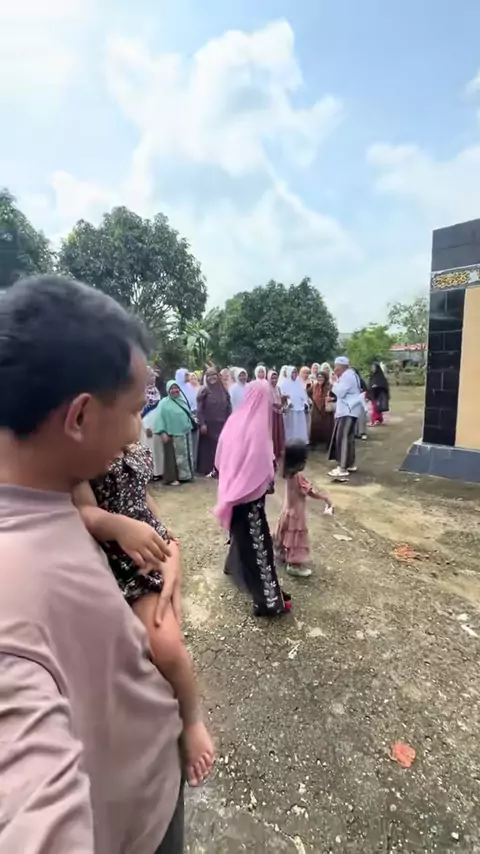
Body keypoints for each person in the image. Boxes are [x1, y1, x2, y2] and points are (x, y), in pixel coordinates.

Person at [0, 275, 186, 853]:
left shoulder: (54, 491)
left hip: (152, 788)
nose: (137, 432)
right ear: (79, 417)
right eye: (132, 412)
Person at [74, 440, 214, 788]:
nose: (137, 425)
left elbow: (143, 496)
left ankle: (192, 719)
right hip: (126, 560)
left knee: (169, 642)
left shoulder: (131, 447)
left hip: (151, 545)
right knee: (165, 644)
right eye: (130, 413)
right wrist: (119, 526)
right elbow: (84, 511)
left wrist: (165, 534)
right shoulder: (84, 457)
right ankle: (189, 721)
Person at [214, 380, 290, 618]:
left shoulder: (234, 421)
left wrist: (233, 482)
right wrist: (263, 481)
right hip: (250, 501)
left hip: (232, 495)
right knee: (260, 549)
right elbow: (263, 471)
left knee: (241, 536)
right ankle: (268, 602)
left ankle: (234, 569)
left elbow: (220, 460)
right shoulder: (257, 429)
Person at [275, 441, 333, 578]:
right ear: (299, 462)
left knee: (285, 533)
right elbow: (311, 491)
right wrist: (326, 498)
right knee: (296, 540)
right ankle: (294, 565)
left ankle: (282, 554)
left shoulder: (287, 473)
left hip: (287, 510)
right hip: (297, 514)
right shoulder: (298, 477)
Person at [328, 356, 364, 482]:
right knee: (349, 438)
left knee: (342, 438)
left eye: (336, 367)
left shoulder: (347, 376)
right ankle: (350, 464)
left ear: (343, 366)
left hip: (347, 411)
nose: (335, 369)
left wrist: (333, 383)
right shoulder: (351, 375)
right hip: (350, 410)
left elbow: (340, 392)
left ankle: (342, 468)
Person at [154, 380, 196, 485]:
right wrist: (162, 432)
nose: (174, 390)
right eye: (171, 388)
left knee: (186, 455)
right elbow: (159, 418)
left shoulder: (182, 400)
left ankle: (186, 476)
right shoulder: (163, 403)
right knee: (172, 457)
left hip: (185, 432)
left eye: (176, 388)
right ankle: (172, 478)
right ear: (168, 390)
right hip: (171, 433)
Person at [196, 366, 232, 476]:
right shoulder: (204, 390)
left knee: (221, 447)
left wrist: (230, 422)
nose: (212, 377)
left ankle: (220, 468)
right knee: (209, 448)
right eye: (209, 376)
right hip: (208, 425)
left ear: (218, 376)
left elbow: (229, 407)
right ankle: (209, 469)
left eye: (214, 375)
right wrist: (202, 424)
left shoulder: (223, 390)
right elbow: (199, 409)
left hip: (222, 423)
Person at [279, 366, 309, 444]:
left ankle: (300, 442)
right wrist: (288, 402)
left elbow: (303, 396)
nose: (294, 374)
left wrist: (305, 403)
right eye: (293, 372)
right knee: (290, 427)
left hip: (300, 408)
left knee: (300, 426)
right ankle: (290, 443)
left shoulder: (299, 383)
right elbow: (282, 395)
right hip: (290, 409)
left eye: (296, 372)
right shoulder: (283, 383)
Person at [309, 370, 335, 448]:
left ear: (325, 378)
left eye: (322, 377)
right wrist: (311, 400)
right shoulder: (314, 386)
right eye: (318, 377)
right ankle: (314, 443)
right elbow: (308, 393)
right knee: (315, 426)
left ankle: (328, 444)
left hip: (326, 409)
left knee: (327, 427)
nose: (320, 379)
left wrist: (331, 399)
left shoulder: (330, 386)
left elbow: (336, 396)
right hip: (316, 409)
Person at [268, 369, 286, 463]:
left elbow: (279, 399)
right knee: (273, 432)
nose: (274, 380)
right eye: (272, 378)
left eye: (276, 378)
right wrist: (276, 409)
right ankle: (272, 451)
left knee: (279, 432)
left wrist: (282, 406)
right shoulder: (267, 389)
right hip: (271, 414)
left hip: (279, 413)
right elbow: (268, 403)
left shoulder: (278, 388)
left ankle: (279, 451)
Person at [368, 361, 390, 426]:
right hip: (373, 394)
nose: (373, 369)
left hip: (379, 395)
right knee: (376, 407)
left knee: (376, 408)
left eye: (374, 367)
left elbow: (384, 385)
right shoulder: (372, 376)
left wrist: (377, 386)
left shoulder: (380, 377)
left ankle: (374, 420)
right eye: (372, 367)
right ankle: (378, 420)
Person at [352, 368, 368, 440]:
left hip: (360, 401)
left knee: (361, 417)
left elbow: (365, 390)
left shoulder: (361, 381)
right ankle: (355, 433)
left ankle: (362, 433)